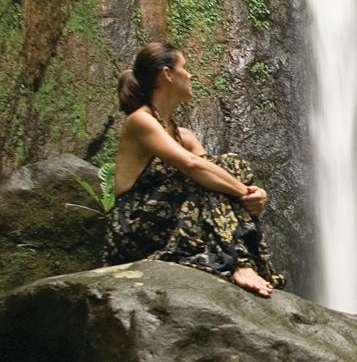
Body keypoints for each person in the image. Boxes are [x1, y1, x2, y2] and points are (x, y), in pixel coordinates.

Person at [104, 42, 285, 296]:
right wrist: (244, 192)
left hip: (168, 224)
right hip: (134, 228)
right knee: (206, 173)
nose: (190, 75)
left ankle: (239, 261)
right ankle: (239, 263)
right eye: (184, 68)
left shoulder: (184, 136)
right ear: (167, 74)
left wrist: (258, 195)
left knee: (225, 167)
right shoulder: (140, 121)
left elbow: (214, 178)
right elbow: (193, 165)